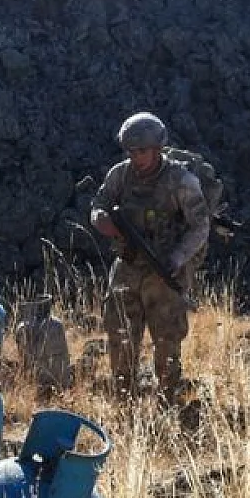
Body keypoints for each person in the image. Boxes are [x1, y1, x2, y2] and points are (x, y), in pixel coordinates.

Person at [89, 112, 210, 399]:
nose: (135, 156)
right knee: (120, 336)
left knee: (167, 342)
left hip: (163, 272)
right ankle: (124, 400)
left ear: (157, 148)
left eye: (141, 150)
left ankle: (169, 402)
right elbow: (98, 205)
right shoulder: (120, 174)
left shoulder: (181, 181)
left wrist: (177, 258)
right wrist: (101, 220)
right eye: (130, 150)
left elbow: (200, 226)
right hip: (127, 267)